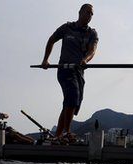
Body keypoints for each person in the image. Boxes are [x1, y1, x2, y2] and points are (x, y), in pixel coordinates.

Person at [41, 4, 98, 144]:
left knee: (71, 103)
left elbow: (92, 50)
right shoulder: (67, 28)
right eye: (87, 12)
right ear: (80, 12)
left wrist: (85, 60)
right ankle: (67, 132)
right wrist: (45, 59)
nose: (89, 15)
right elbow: (51, 40)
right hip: (65, 69)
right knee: (72, 96)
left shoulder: (92, 33)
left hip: (78, 71)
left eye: (91, 14)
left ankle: (57, 136)